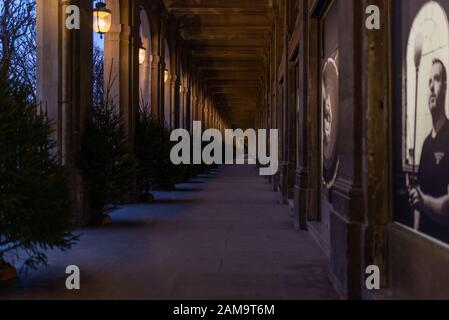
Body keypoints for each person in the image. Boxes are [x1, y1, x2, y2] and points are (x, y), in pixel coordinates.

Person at [409, 58, 449, 242]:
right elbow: (418, 199)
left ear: (445, 87)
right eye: (429, 81)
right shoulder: (425, 144)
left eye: (437, 79)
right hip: (424, 244)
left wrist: (424, 202)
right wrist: (415, 238)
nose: (432, 86)